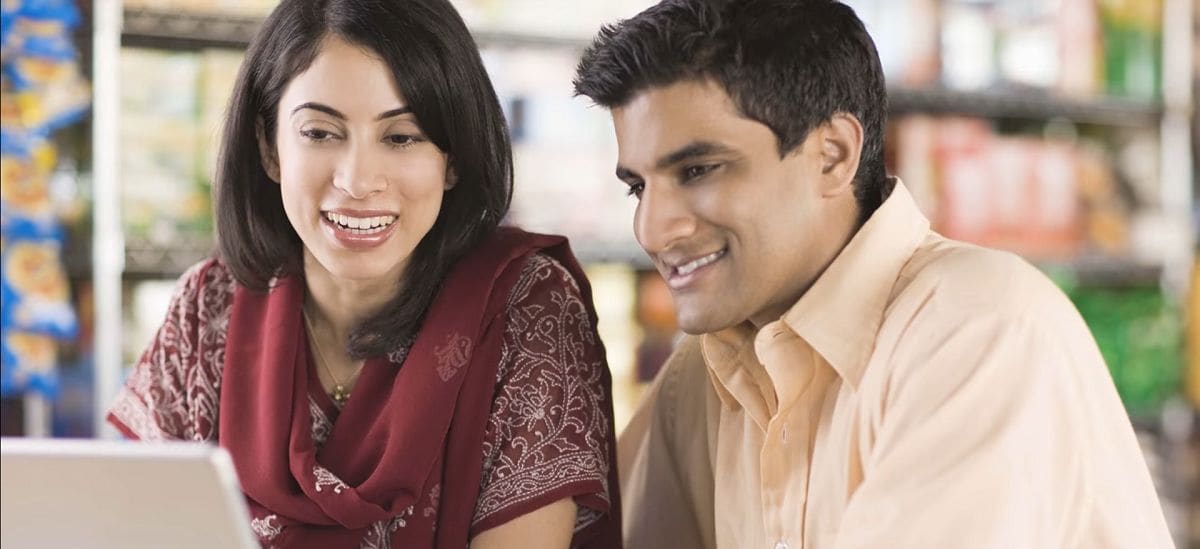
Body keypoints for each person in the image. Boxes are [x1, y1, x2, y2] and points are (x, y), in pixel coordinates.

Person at [573, 0, 1173, 547]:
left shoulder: (977, 330)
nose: (653, 231)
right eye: (638, 187)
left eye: (699, 169)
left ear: (832, 154)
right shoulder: (706, 373)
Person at [107, 1, 621, 547]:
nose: (357, 180)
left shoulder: (526, 307)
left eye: (401, 137)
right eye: (321, 133)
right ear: (268, 147)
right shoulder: (208, 305)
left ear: (453, 159)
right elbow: (137, 526)